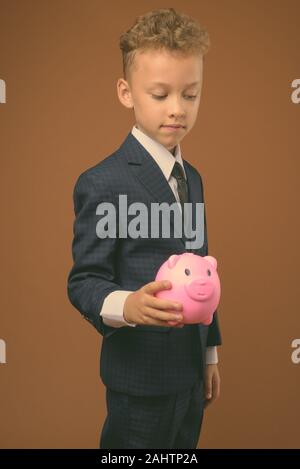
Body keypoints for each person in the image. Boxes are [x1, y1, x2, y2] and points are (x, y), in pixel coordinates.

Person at [67, 7, 222, 449]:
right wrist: (126, 304)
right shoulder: (101, 182)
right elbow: (84, 281)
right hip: (140, 379)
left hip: (189, 374)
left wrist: (209, 352)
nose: (177, 109)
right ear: (126, 92)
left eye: (190, 95)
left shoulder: (193, 177)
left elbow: (205, 272)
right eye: (160, 94)